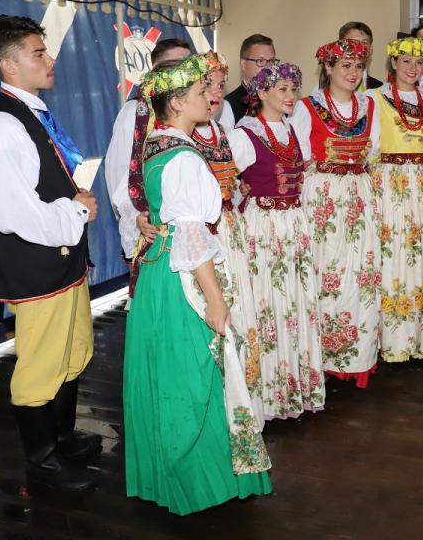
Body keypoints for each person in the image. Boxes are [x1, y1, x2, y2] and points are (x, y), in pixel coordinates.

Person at [124, 54, 272, 515]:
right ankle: (202, 479)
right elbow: (190, 232)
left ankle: (167, 475)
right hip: (183, 276)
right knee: (198, 372)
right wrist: (215, 300)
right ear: (175, 102)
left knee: (167, 370)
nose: (211, 97)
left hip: (159, 271)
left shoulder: (156, 145)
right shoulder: (184, 156)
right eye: (200, 91)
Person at [0, 15, 100, 491]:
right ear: (8, 64)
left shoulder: (30, 113)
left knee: (72, 349)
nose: (50, 59)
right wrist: (76, 210)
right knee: (40, 363)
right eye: (38, 52)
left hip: (61, 259)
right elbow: (12, 213)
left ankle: (61, 439)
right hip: (37, 262)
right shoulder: (0, 126)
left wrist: (73, 210)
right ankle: (41, 465)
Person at [228, 62, 326, 418]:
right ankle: (267, 395)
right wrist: (239, 193)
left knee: (294, 305)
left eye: (293, 89)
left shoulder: (292, 130)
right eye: (282, 89)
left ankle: (292, 391)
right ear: (262, 93)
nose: (291, 95)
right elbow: (222, 180)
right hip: (264, 227)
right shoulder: (245, 135)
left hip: (293, 223)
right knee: (268, 305)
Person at [290, 39, 382, 389]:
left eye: (358, 66)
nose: (353, 72)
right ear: (328, 67)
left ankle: (355, 360)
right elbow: (298, 156)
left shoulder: (369, 106)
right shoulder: (306, 107)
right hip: (323, 199)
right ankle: (322, 361)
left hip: (359, 195)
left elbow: (373, 153)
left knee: (360, 276)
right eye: (345, 65)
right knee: (325, 272)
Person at [369, 37, 423, 367]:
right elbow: (369, 147)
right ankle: (391, 340)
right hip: (391, 187)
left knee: (420, 260)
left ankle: (418, 338)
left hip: (422, 189)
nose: (413, 68)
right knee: (392, 258)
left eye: (419, 62)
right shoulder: (374, 99)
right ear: (394, 63)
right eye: (406, 61)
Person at [105, 38, 191, 258]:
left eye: (189, 65)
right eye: (177, 65)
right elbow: (120, 174)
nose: (185, 72)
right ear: (156, 71)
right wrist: (135, 218)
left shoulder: (194, 111)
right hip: (152, 227)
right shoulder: (135, 112)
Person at [224, 34, 278, 120]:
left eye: (272, 61)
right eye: (261, 61)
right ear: (243, 65)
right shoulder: (228, 105)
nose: (269, 68)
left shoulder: (280, 99)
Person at [339, 21, 383, 90]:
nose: (360, 48)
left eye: (364, 43)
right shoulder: (329, 87)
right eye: (353, 42)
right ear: (341, 48)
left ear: (371, 49)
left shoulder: (381, 88)